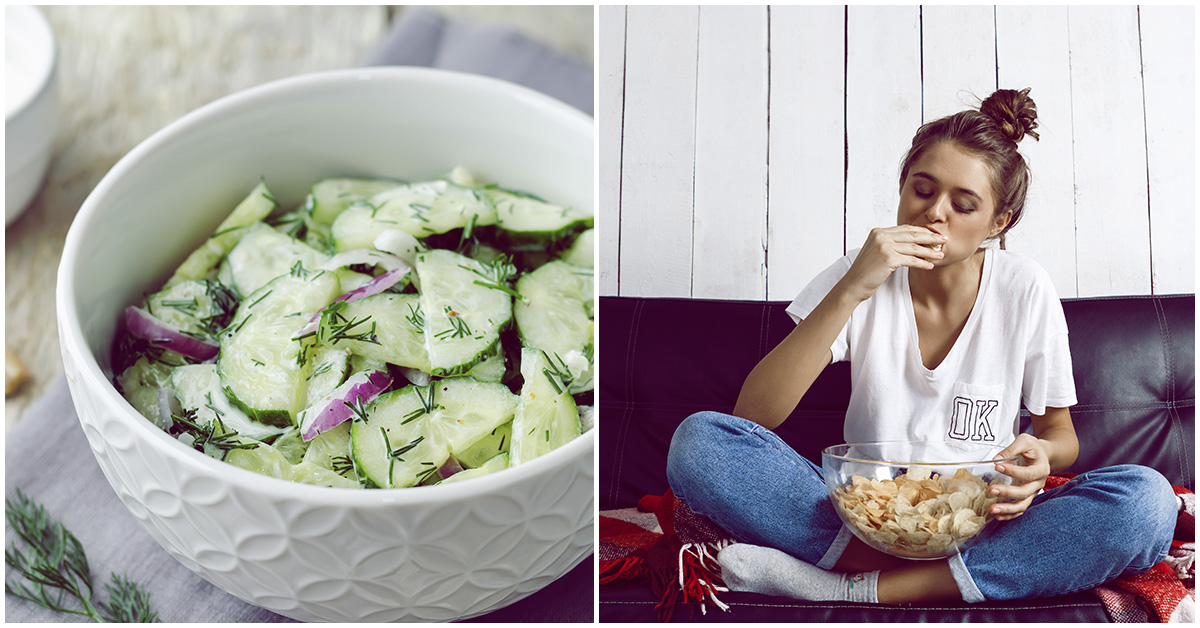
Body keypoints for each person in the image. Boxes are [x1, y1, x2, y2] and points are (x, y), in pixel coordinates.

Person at [665, 88, 1178, 605]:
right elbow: (753, 415)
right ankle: (951, 579)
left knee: (1148, 503)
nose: (935, 213)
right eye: (922, 189)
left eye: (963, 204)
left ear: (998, 223)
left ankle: (851, 588)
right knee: (700, 443)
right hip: (863, 515)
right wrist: (852, 289)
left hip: (985, 518)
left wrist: (1042, 455)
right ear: (903, 187)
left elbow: (1058, 433)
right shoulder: (858, 271)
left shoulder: (1023, 287)